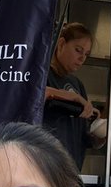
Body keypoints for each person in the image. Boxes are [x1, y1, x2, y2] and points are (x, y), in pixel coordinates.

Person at [42, 21, 105, 171]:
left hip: (72, 172)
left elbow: (84, 136)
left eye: (86, 54)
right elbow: (38, 94)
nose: (82, 58)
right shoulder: (42, 75)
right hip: (45, 167)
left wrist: (99, 136)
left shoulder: (77, 84)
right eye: (78, 50)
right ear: (62, 44)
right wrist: (74, 98)